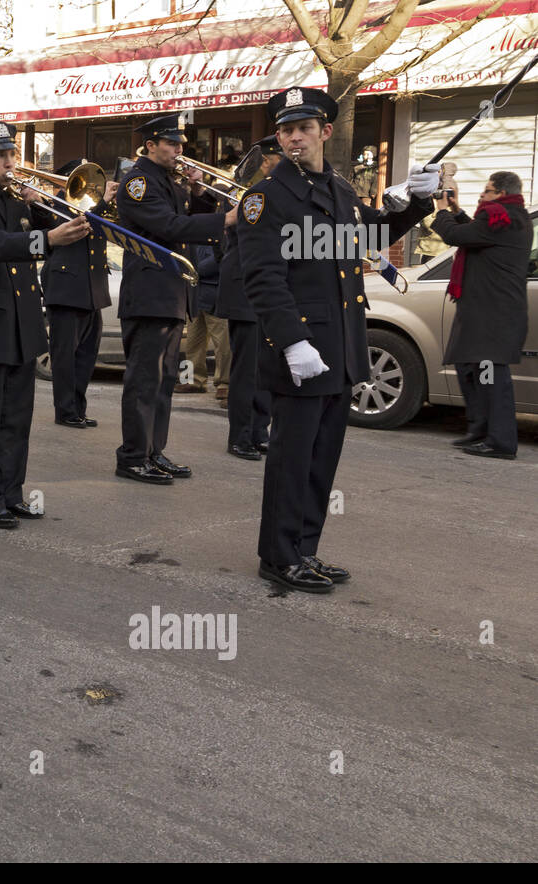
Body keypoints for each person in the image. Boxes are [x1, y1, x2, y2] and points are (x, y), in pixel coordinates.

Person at [239, 86, 437, 594]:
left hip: (341, 345)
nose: (293, 137)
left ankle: (305, 548)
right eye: (285, 130)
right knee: (292, 458)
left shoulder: (340, 191)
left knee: (322, 456)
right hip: (303, 348)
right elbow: (263, 277)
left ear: (325, 132)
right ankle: (279, 557)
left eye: (303, 128)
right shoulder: (267, 197)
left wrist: (417, 200)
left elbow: (372, 235)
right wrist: (291, 342)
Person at [0, 122, 90, 528]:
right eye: (0, 156)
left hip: (22, 323)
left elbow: (43, 230)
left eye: (12, 154)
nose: (11, 162)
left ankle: (11, 492)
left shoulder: (15, 200)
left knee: (17, 419)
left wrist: (40, 206)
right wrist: (47, 239)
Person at [115, 114, 235, 485]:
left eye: (181, 144)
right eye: (172, 143)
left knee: (164, 378)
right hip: (149, 293)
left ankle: (153, 451)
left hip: (171, 292)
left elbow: (186, 223)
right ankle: (132, 457)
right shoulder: (138, 181)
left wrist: (199, 195)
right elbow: (168, 227)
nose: (180, 150)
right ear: (150, 145)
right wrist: (227, 219)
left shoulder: (167, 180)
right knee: (144, 380)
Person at [432, 171, 531, 460]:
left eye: (486, 191)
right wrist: (457, 209)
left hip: (494, 315)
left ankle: (499, 441)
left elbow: (456, 236)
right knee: (468, 369)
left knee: (489, 376)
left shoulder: (501, 217)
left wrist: (441, 212)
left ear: (500, 193)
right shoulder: (510, 216)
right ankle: (480, 430)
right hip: (484, 312)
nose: (482, 196)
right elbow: (476, 235)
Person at [40, 158, 116, 428]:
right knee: (64, 355)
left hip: (92, 288)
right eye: (82, 180)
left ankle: (78, 408)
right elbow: (83, 224)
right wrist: (104, 201)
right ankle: (65, 411)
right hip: (66, 288)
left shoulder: (90, 204)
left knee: (86, 355)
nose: (91, 187)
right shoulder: (60, 207)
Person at [217, 136, 278, 460]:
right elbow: (253, 236)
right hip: (245, 290)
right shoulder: (251, 196)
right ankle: (240, 436)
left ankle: (258, 431)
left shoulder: (271, 193)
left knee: (265, 367)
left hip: (265, 290)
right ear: (267, 160)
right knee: (246, 370)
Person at [176, 242, 229, 401]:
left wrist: (193, 268)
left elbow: (222, 258)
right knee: (192, 343)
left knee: (223, 345)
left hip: (216, 295)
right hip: (195, 295)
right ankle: (193, 380)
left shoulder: (222, 228)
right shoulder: (195, 231)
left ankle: (224, 384)